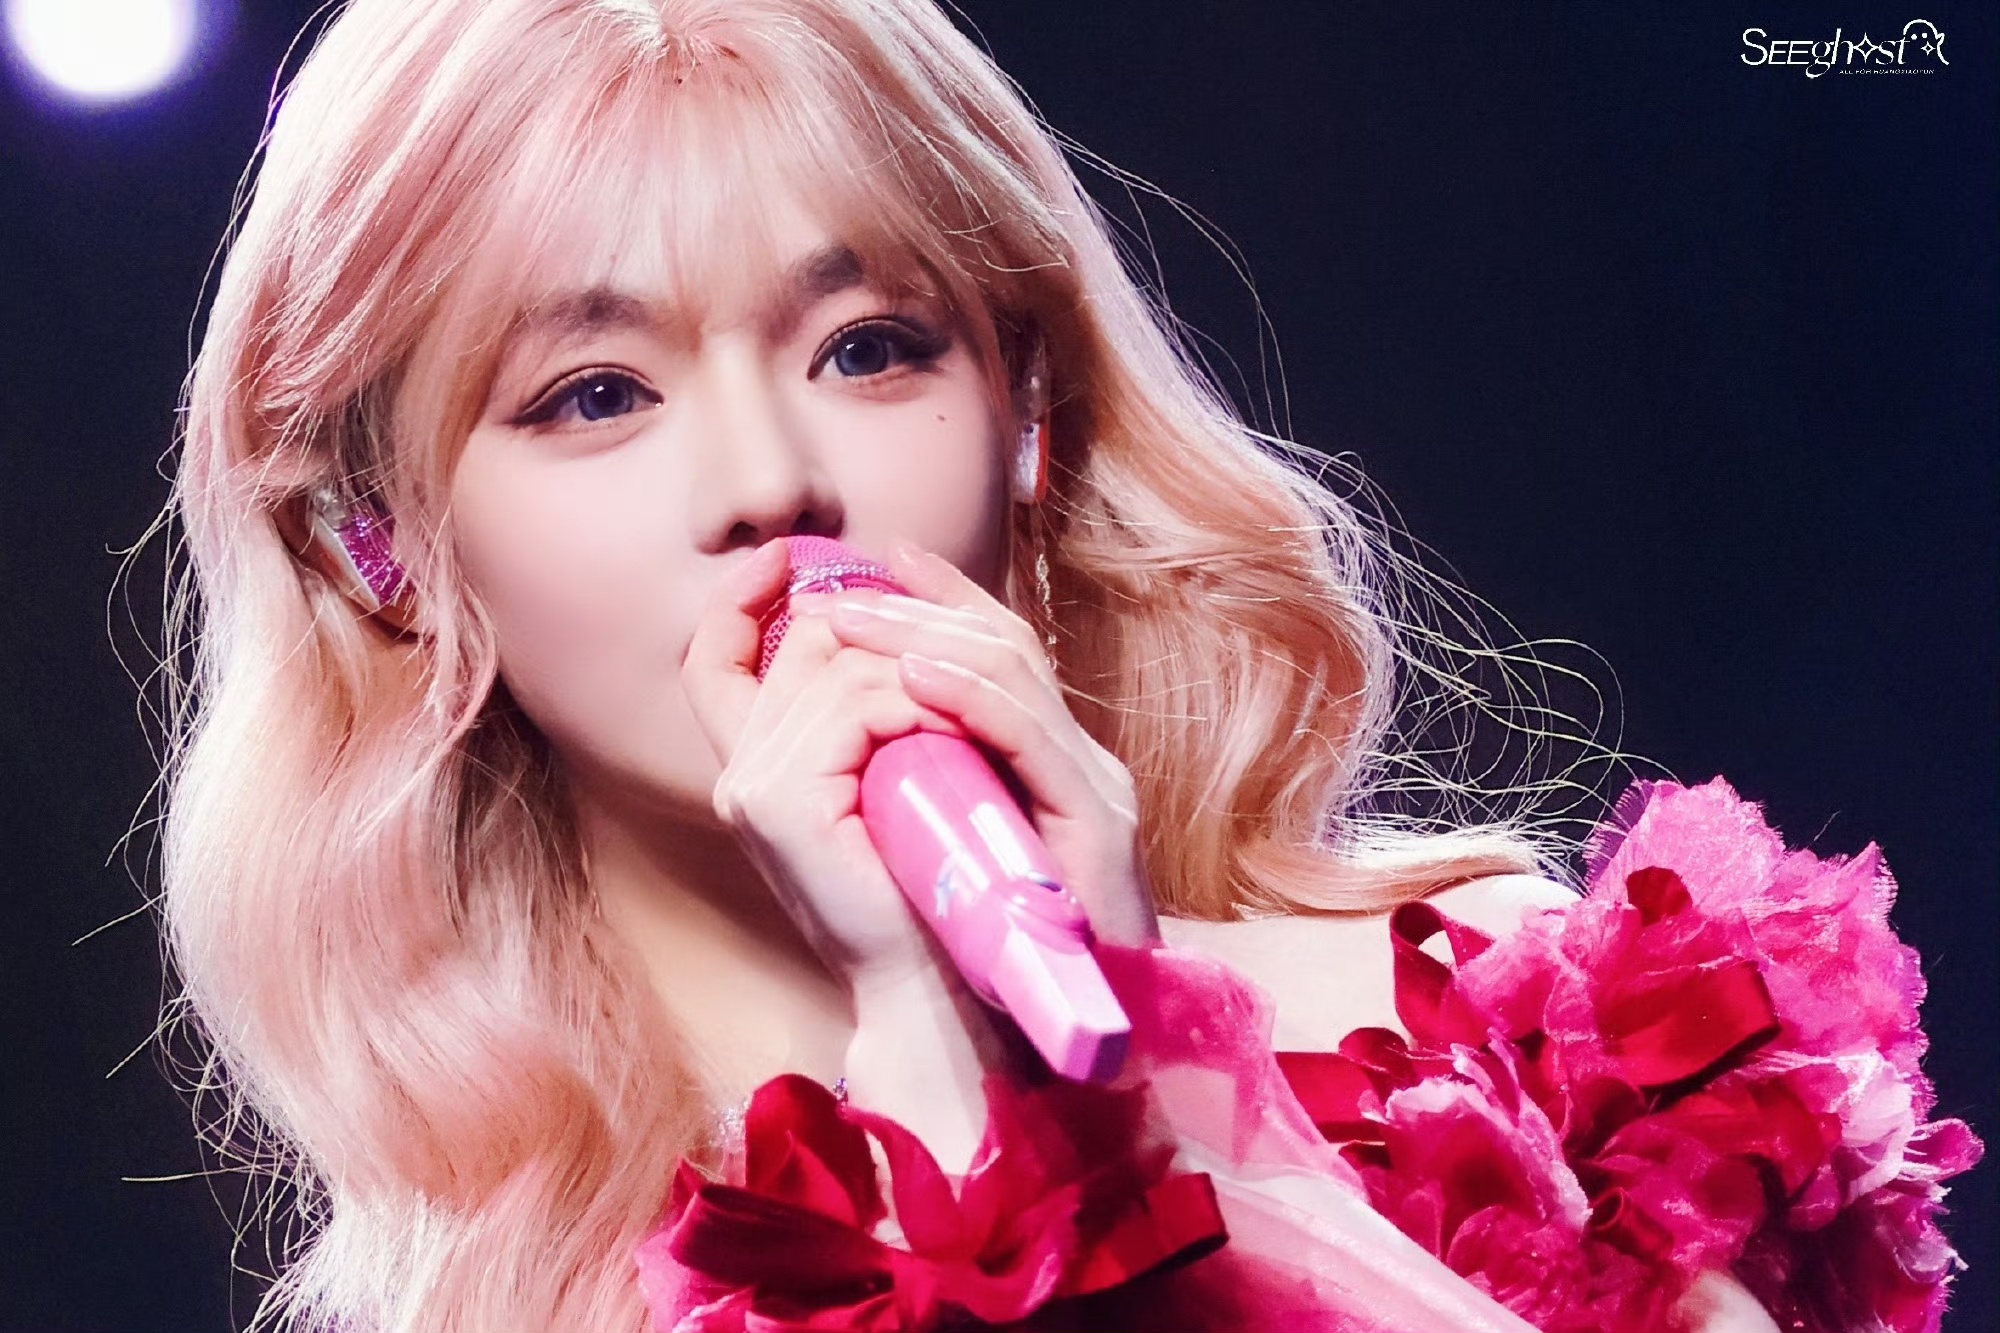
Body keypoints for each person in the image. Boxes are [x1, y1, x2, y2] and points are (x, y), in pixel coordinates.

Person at [158, 2, 1978, 1331]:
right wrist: (954, 1089)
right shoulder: (541, 1303)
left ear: (1028, 407)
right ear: (377, 548)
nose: (774, 481)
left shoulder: (1509, 1020)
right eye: (596, 392)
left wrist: (1153, 1094)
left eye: (867, 347)